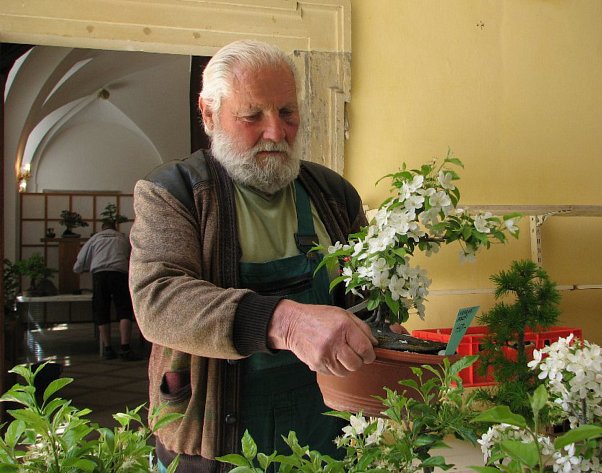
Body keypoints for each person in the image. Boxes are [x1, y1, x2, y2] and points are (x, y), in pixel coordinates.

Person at [129, 39, 377, 472]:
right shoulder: (174, 193)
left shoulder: (334, 196)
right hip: (216, 429)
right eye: (252, 116)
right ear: (208, 114)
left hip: (328, 425)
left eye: (287, 113)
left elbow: (368, 296)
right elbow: (158, 300)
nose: (276, 132)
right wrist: (288, 322)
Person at [73, 221, 139, 361]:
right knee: (124, 309)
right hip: (120, 274)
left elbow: (80, 260)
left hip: (100, 275)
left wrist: (78, 270)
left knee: (101, 309)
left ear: (102, 228)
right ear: (115, 227)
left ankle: (108, 348)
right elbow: (133, 258)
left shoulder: (95, 238)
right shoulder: (122, 238)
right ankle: (125, 347)